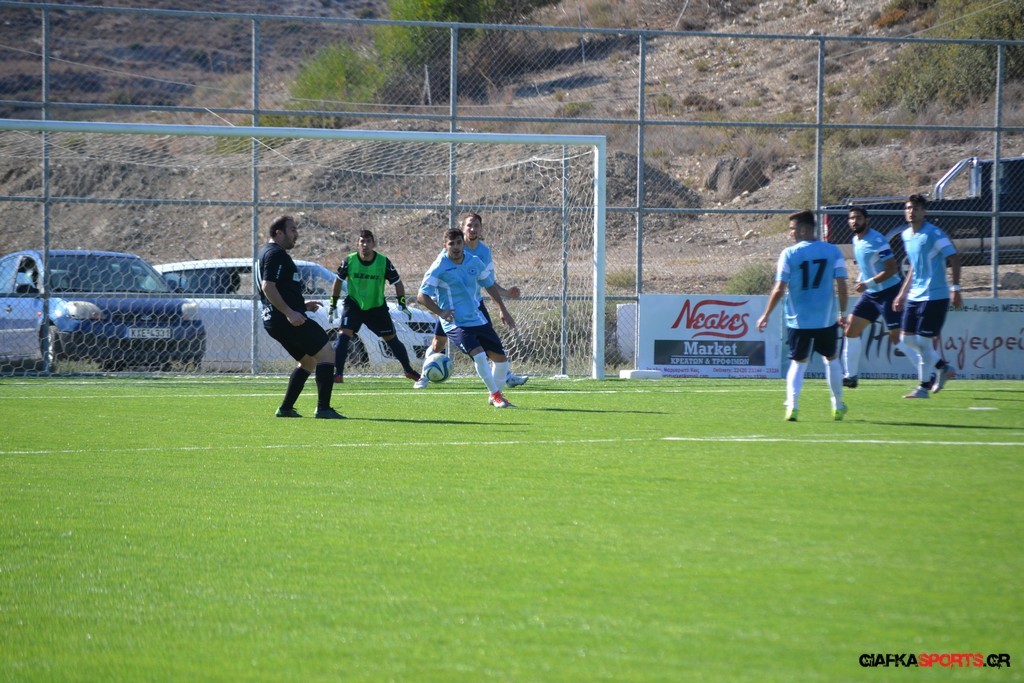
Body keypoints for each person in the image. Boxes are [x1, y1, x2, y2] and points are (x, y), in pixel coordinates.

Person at [413, 212, 528, 389]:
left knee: (490, 344)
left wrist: (504, 299)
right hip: (450, 308)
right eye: (469, 225)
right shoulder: (446, 257)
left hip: (475, 306)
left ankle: (505, 378)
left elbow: (488, 282)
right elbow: (425, 292)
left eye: (476, 226)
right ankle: (424, 375)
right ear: (463, 228)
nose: (473, 229)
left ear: (481, 229)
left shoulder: (483, 253)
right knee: (438, 343)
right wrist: (441, 310)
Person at [757, 210, 849, 422]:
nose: (790, 233)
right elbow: (842, 285)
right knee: (831, 359)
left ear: (804, 229)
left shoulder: (789, 254)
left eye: (792, 228)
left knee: (798, 363)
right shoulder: (832, 251)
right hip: (825, 319)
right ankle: (837, 405)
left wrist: (766, 314)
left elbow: (779, 288)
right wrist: (843, 313)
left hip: (798, 320)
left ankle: (792, 406)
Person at [256, 215, 344, 419]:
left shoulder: (264, 253)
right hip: (285, 319)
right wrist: (290, 312)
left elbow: (277, 288)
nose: (296, 234)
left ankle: (285, 408)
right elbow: (267, 287)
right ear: (278, 233)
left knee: (308, 362)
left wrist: (300, 306)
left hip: (274, 320)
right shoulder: (276, 254)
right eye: (293, 230)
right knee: (327, 354)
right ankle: (323, 409)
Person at [327, 230, 421, 384]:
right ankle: (338, 374)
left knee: (391, 340)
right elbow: (338, 281)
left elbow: (398, 283)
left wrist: (402, 303)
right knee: (343, 336)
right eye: (362, 241)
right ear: (357, 244)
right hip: (354, 305)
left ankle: (408, 370)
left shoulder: (383, 262)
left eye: (368, 241)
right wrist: (333, 303)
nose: (365, 244)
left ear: (374, 244)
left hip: (376, 307)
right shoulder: (349, 260)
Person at [892, 194, 962, 399]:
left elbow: (954, 258)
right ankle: (942, 367)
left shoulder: (934, 233)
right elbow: (914, 266)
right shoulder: (906, 235)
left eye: (915, 208)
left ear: (924, 212)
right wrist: (902, 293)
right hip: (915, 296)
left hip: (935, 295)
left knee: (923, 343)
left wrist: (956, 288)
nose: (911, 212)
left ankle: (923, 388)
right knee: (906, 339)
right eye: (908, 208)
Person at [841, 206, 918, 388]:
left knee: (898, 340)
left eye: (858, 218)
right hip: (871, 295)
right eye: (852, 218)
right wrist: (862, 281)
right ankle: (851, 377)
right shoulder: (856, 240)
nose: (854, 221)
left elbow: (892, 269)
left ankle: (932, 372)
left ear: (866, 220)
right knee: (851, 330)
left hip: (889, 293)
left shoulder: (877, 240)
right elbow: (868, 267)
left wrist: (868, 283)